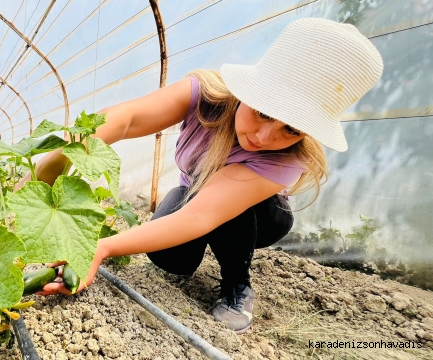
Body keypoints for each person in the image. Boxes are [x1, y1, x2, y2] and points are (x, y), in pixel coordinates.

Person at [19, 17, 384, 334]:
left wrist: (102, 247)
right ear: (248, 92)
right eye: (262, 112)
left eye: (290, 128)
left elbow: (202, 215)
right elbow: (126, 119)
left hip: (263, 215)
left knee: (226, 207)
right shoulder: (205, 94)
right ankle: (212, 249)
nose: (264, 137)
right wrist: (56, 159)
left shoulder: (287, 159)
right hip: (195, 194)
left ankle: (237, 285)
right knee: (172, 261)